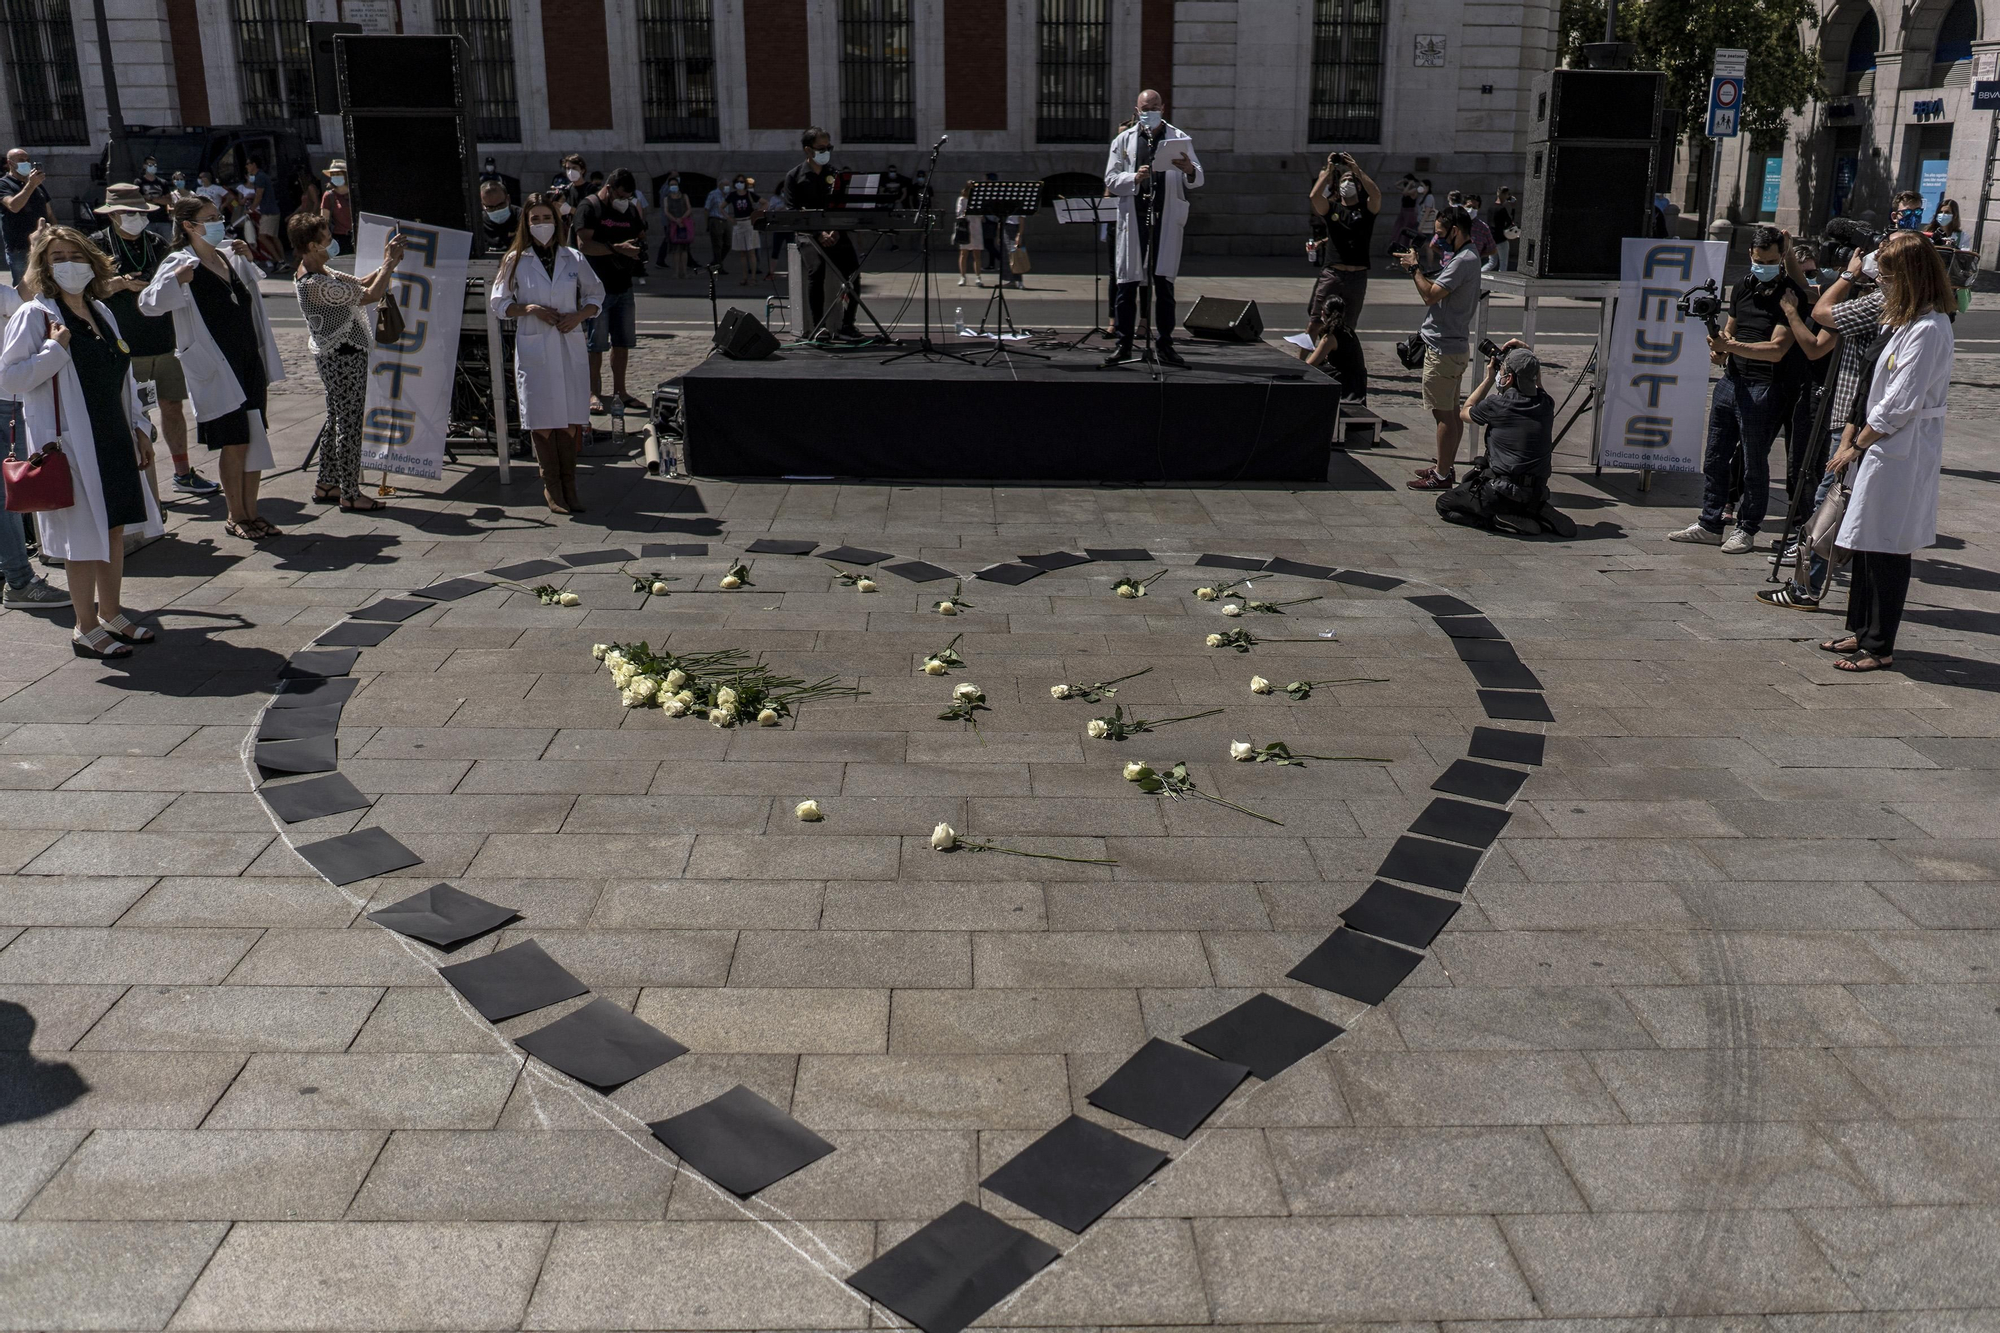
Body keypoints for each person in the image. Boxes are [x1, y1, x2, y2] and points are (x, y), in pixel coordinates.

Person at [0, 227, 164, 657]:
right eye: (58, 257)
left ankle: (112, 613)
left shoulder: (100, 310)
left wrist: (139, 427)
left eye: (76, 255)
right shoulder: (34, 315)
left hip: (113, 434)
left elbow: (121, 375)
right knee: (82, 537)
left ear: (93, 261)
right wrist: (54, 350)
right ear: (44, 265)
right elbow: (10, 378)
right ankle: (85, 626)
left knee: (113, 527)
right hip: (71, 442)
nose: (69, 264)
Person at [1819, 230, 1955, 674]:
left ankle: (1879, 644)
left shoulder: (1929, 329)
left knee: (1888, 545)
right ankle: (1860, 628)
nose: (1883, 284)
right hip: (1881, 443)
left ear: (1911, 278)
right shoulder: (1904, 320)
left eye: (1889, 279)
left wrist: (1856, 444)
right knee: (1864, 539)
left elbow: (1900, 401)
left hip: (1899, 446)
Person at [140, 195, 285, 541]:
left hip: (247, 360)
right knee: (233, 441)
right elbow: (148, 304)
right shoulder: (180, 261)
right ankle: (236, 515)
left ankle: (252, 511)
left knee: (254, 438)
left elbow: (249, 295)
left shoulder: (227, 255)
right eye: (210, 218)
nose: (219, 222)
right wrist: (177, 280)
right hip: (216, 365)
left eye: (218, 216)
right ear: (189, 226)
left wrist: (246, 259)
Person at [1668, 224, 1805, 552]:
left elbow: (1777, 350)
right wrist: (1719, 347)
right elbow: (1730, 327)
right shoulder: (1743, 285)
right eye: (1759, 260)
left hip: (1765, 386)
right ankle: (1710, 522)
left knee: (1753, 462)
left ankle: (1747, 527)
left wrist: (1730, 347)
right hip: (1732, 381)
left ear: (1782, 257)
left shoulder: (1790, 295)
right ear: (1750, 255)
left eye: (1771, 261)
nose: (1764, 267)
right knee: (1715, 456)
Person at [87, 183, 217, 500]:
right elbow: (87, 292)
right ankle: (143, 485)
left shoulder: (156, 242)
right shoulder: (97, 245)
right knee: (135, 415)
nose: (136, 218)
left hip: (163, 340)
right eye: (128, 213)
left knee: (172, 407)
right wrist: (121, 284)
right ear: (113, 215)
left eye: (139, 212)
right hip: (125, 347)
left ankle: (183, 472)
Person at [489, 193, 602, 516]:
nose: (542, 224)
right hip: (535, 344)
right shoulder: (515, 260)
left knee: (568, 419)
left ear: (557, 221)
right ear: (526, 224)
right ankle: (551, 487)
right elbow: (499, 303)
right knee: (542, 418)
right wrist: (529, 309)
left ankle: (570, 487)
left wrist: (579, 316)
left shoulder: (572, 258)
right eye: (535, 219)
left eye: (547, 218)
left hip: (568, 342)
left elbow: (596, 294)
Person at [290, 211, 404, 512]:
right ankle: (350, 492)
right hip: (342, 356)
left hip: (338, 353)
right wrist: (389, 264)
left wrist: (386, 262)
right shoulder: (314, 282)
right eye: (327, 237)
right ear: (313, 246)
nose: (332, 240)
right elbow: (370, 294)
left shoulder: (320, 271)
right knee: (349, 424)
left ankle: (327, 483)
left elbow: (360, 284)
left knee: (336, 419)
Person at [1103, 89, 1203, 369]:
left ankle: (1165, 345)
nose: (1150, 112)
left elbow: (1198, 176)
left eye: (1155, 107)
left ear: (1163, 108)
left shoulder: (1179, 138)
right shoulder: (1123, 140)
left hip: (1165, 216)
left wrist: (1189, 169)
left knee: (1164, 284)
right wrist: (1134, 177)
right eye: (1145, 109)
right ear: (1137, 111)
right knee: (1127, 283)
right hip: (1134, 216)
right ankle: (1124, 344)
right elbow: (1111, 179)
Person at [1435, 342, 1575, 536]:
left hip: (1503, 493)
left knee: (1444, 504)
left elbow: (1465, 412)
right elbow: (1536, 382)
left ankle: (1497, 520)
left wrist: (1489, 379)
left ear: (1508, 378)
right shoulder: (1545, 403)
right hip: (1537, 492)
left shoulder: (1497, 404)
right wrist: (1527, 355)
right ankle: (1535, 512)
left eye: (1502, 371)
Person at [1401, 205, 1483, 491]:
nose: (1436, 240)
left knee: (1443, 415)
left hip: (1444, 349)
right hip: (1452, 346)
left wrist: (1414, 268)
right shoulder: (1467, 256)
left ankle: (1442, 475)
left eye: (1440, 233)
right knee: (1451, 411)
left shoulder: (1463, 260)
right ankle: (1444, 466)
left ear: (1455, 231)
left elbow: (1429, 296)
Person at [0, 279, 66, 608]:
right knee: (9, 494)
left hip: (7, 400)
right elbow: (25, 302)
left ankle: (13, 574)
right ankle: (19, 581)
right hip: (6, 400)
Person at [573, 167, 646, 413]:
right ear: (609, 188)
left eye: (628, 197)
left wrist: (638, 246)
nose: (624, 200)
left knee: (622, 342)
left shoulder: (630, 209)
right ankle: (593, 392)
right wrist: (617, 249)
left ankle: (620, 392)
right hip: (596, 287)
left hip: (624, 284)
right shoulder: (590, 207)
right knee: (596, 344)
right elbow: (584, 245)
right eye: (621, 195)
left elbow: (640, 233)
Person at [783, 129, 863, 342]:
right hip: (808, 235)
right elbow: (792, 212)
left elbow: (842, 207)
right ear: (808, 150)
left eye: (829, 148)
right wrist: (818, 234)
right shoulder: (794, 176)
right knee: (817, 271)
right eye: (821, 148)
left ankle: (848, 324)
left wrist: (835, 230)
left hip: (835, 232)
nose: (826, 151)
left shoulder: (835, 175)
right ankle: (819, 326)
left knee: (853, 273)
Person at [1307, 150, 1380, 333]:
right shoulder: (1332, 208)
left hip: (1357, 276)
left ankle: (1335, 351)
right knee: (1316, 321)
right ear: (1339, 187)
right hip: (1334, 273)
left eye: (1351, 180)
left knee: (1348, 325)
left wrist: (1356, 170)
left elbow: (1376, 195)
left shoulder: (1367, 210)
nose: (1347, 183)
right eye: (1343, 180)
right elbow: (1314, 197)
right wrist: (1329, 170)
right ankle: (1307, 352)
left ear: (1358, 185)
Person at [1296, 293, 1367, 403]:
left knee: (1305, 377)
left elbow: (1310, 364)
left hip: (1346, 384)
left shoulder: (1330, 337)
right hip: (1357, 381)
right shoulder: (1347, 330)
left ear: (1323, 313)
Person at [3, 150, 57, 284]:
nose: (26, 163)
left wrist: (57, 234)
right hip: (20, 248)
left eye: (28, 160)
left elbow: (49, 213)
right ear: (10, 163)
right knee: (24, 286)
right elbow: (14, 206)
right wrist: (31, 185)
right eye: (21, 160)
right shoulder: (4, 184)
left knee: (48, 283)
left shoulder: (37, 185)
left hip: (44, 244)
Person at [723, 175, 764, 284]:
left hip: (749, 222)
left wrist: (757, 214)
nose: (739, 183)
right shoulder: (732, 195)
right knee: (742, 253)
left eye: (741, 182)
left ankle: (753, 277)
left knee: (751, 252)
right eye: (738, 181)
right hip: (739, 223)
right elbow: (721, 207)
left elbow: (765, 203)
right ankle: (745, 277)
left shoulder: (749, 194)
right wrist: (730, 218)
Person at [657, 174, 695, 277]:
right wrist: (675, 220)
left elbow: (689, 208)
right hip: (673, 225)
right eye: (671, 185)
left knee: (684, 249)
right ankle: (677, 272)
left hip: (684, 224)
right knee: (675, 250)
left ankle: (684, 272)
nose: (673, 186)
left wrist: (681, 219)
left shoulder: (684, 196)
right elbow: (666, 211)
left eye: (675, 184)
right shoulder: (667, 198)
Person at [319, 159, 353, 254]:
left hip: (359, 236)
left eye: (338, 174)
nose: (335, 176)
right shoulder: (329, 196)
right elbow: (324, 221)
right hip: (341, 239)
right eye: (333, 174)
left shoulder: (355, 193)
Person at [954, 181, 985, 286]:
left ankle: (978, 277)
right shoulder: (962, 199)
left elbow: (982, 215)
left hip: (976, 228)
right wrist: (966, 211)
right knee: (964, 253)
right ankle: (962, 277)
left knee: (977, 253)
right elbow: (959, 213)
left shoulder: (978, 200)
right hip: (965, 227)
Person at [479, 179, 518, 253]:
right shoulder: (478, 224)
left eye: (501, 205)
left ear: (508, 199)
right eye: (490, 207)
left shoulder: (523, 217)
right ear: (482, 205)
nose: (497, 210)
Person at [702, 178, 732, 271]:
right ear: (720, 185)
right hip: (715, 219)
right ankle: (719, 266)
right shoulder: (713, 194)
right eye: (725, 185)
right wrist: (707, 223)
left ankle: (716, 262)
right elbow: (706, 209)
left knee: (728, 244)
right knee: (717, 244)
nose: (727, 187)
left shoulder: (727, 195)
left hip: (725, 220)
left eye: (728, 185)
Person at [1486, 188, 1516, 273]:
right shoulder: (1502, 209)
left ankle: (1480, 274)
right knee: (1503, 263)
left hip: (1492, 238)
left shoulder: (1490, 208)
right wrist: (1513, 207)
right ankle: (1501, 279)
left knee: (1492, 262)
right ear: (1504, 195)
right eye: (1507, 194)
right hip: (1501, 239)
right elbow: (1510, 222)